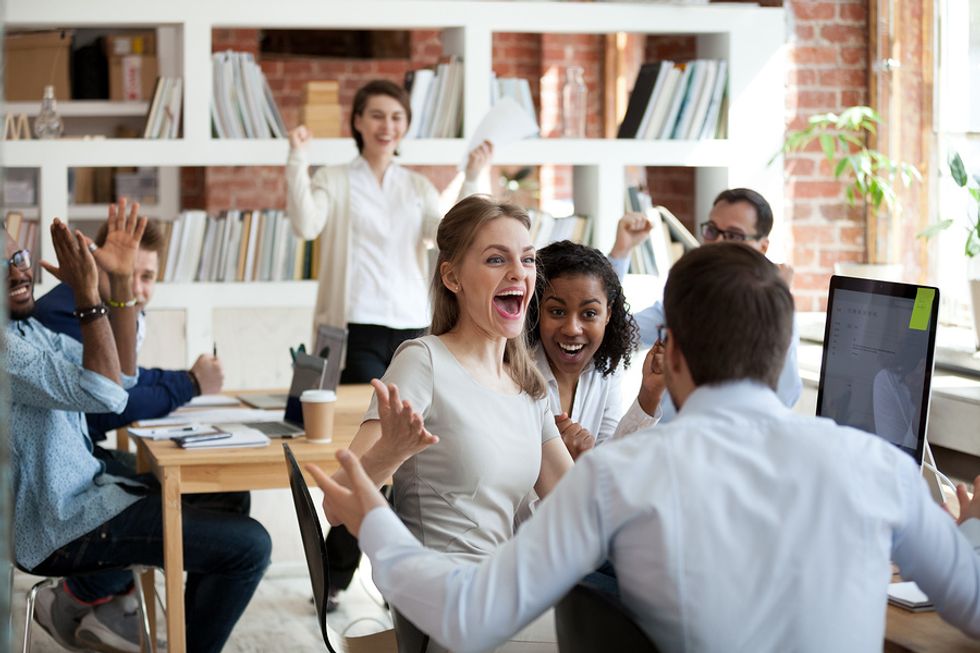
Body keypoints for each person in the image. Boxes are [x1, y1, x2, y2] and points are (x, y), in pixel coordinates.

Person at [311, 243, 980, 652]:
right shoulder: (881, 469)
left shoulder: (615, 475)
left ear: (673, 353)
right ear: (782, 358)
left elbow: (471, 612)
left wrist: (374, 520)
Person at [6, 201, 271, 653]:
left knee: (229, 496)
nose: (18, 273)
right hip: (62, 524)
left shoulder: (29, 331)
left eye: (17, 258)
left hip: (86, 491)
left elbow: (122, 379)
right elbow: (106, 396)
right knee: (250, 547)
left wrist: (121, 282)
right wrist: (90, 295)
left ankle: (182, 638)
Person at [318, 195, 573, 649]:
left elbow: (576, 502)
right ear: (452, 276)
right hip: (450, 606)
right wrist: (391, 452)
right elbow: (337, 504)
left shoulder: (528, 384)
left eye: (528, 260)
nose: (519, 273)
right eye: (497, 259)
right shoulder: (424, 362)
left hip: (505, 591)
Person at [285, 79, 492, 604]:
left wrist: (472, 174)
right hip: (354, 330)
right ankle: (334, 577)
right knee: (367, 456)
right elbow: (305, 223)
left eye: (397, 118)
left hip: (411, 330)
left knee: (409, 459)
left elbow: (450, 236)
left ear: (405, 127)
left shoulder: (417, 187)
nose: (387, 127)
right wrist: (296, 159)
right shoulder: (334, 178)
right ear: (357, 121)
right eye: (377, 116)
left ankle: (397, 574)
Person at [33, 217, 225, 468]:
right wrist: (191, 384)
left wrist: (191, 377)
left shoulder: (113, 313)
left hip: (81, 453)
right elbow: (108, 405)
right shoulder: (65, 314)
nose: (134, 288)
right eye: (123, 273)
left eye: (147, 277)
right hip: (65, 465)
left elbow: (131, 378)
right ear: (98, 265)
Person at [609, 188, 802, 420]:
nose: (717, 243)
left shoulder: (775, 311)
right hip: (670, 442)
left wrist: (776, 306)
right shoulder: (686, 298)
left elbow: (785, 396)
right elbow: (614, 334)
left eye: (734, 235)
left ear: (762, 247)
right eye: (712, 231)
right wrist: (621, 253)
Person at [527, 240, 664, 459]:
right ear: (536, 311)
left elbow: (612, 461)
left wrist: (649, 395)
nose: (572, 329)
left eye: (589, 313)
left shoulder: (606, 367)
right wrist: (561, 462)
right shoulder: (515, 371)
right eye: (557, 312)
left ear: (608, 314)